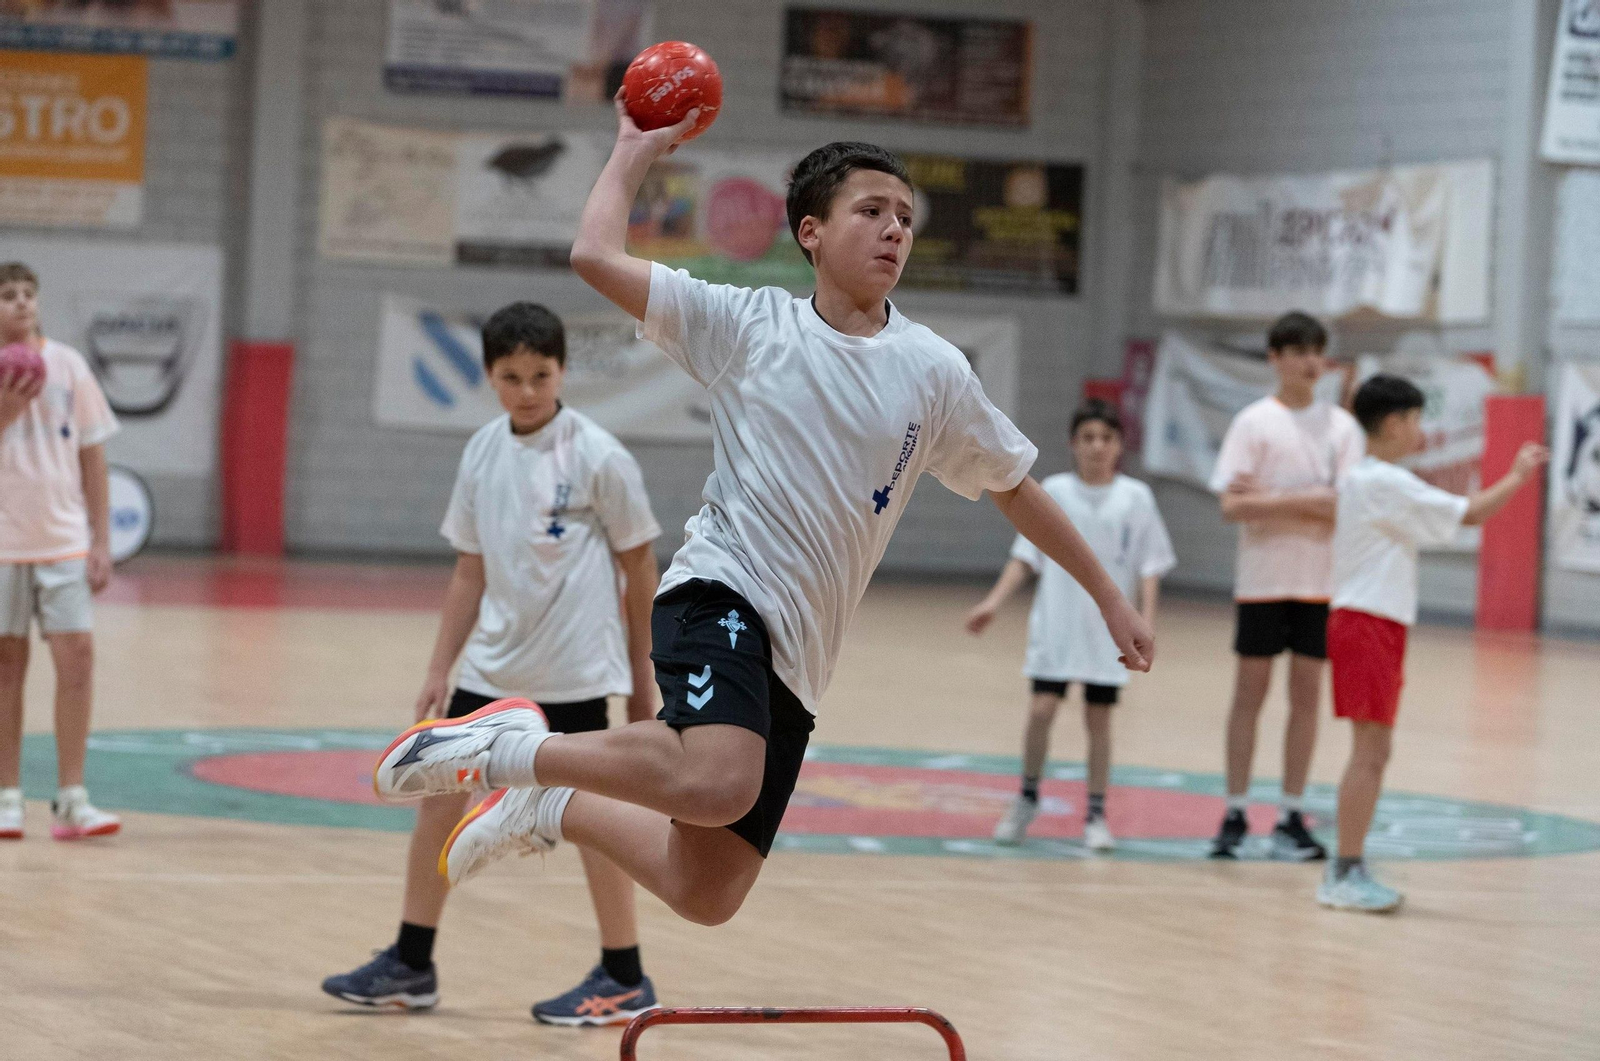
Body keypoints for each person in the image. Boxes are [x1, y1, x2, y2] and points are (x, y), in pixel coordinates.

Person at [369, 98, 1155, 931]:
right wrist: (634, 149)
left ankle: (550, 807)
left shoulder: (933, 369)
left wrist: (1107, 592)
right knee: (718, 781)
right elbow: (593, 254)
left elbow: (1015, 484)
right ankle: (501, 749)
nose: (895, 230)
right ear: (810, 231)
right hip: (722, 591)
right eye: (871, 211)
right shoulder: (749, 325)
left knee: (705, 891)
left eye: (906, 217)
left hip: (802, 654)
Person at [323, 303, 666, 1024]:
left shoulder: (600, 455)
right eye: (511, 376)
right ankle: (411, 962)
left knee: (591, 819)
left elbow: (641, 568)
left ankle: (626, 972)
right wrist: (438, 664)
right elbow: (468, 572)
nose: (528, 389)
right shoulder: (480, 451)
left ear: (563, 370)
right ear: (489, 376)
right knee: (437, 803)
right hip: (488, 669)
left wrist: (643, 680)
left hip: (574, 672)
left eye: (541, 374)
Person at [1320, 374, 1546, 911]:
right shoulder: (1383, 482)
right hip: (1367, 622)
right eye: (1417, 419)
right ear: (1395, 422)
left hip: (1372, 622)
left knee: (1374, 751)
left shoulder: (1369, 479)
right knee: (1369, 753)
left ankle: (1349, 864)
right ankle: (1343, 871)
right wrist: (1516, 476)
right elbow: (1468, 513)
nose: (1421, 430)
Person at [967, 399, 1174, 851]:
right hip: (1057, 628)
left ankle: (1096, 813)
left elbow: (1150, 568)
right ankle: (1026, 798)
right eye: (1088, 438)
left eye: (1106, 438)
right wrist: (993, 603)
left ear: (1119, 445)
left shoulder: (1136, 498)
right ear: (1073, 444)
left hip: (1106, 635)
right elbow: (1025, 558)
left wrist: (1148, 624)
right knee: (1041, 712)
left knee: (1099, 720)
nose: (1097, 446)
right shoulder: (1055, 491)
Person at [1207, 313, 1363, 859]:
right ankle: (1234, 808)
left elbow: (1343, 506)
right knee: (1249, 694)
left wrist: (1268, 499)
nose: (1308, 361)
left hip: (1320, 584)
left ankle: (1292, 813)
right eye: (1296, 350)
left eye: (1316, 350)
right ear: (1274, 358)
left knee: (1306, 697)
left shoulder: (1342, 429)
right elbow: (1232, 505)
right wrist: (1307, 500)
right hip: (1263, 582)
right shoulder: (1253, 423)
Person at [0, 261, 121, 842]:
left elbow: (94, 457)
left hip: (64, 541)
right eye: (7, 296)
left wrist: (101, 540)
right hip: (2, 546)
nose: (21, 304)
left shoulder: (69, 366)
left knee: (78, 662)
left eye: (28, 294)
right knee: (6, 670)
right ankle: (7, 797)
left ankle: (72, 798)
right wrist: (7, 410)